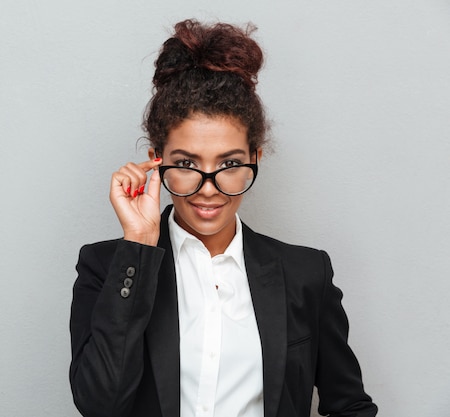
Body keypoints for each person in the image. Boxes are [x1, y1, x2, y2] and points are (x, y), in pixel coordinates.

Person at [69, 19, 378, 417]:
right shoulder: (107, 267)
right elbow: (100, 405)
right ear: (155, 161)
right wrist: (139, 247)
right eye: (186, 163)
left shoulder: (305, 274)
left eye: (230, 163)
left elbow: (349, 404)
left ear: (255, 158)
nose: (209, 187)